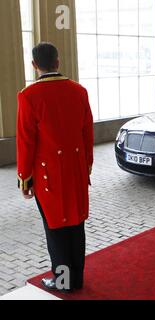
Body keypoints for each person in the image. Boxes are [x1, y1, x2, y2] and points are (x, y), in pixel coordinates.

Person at [16, 42, 94, 292]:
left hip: (48, 175)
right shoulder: (79, 91)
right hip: (76, 171)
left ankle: (64, 282)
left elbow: (25, 141)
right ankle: (76, 278)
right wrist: (87, 166)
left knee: (56, 229)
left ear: (34, 65)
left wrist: (24, 178)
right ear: (58, 62)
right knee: (76, 225)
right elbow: (87, 134)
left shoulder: (28, 96)